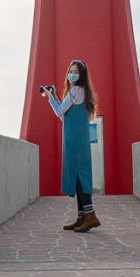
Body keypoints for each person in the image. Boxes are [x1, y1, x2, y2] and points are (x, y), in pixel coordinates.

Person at [46, 59, 100, 232]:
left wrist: (49, 98)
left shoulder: (75, 90)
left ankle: (90, 215)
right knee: (78, 175)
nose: (72, 74)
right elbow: (65, 116)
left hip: (74, 140)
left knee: (79, 176)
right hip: (79, 139)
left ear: (81, 75)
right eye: (71, 70)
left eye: (76, 71)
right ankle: (81, 216)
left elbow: (59, 111)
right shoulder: (82, 92)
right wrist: (55, 97)